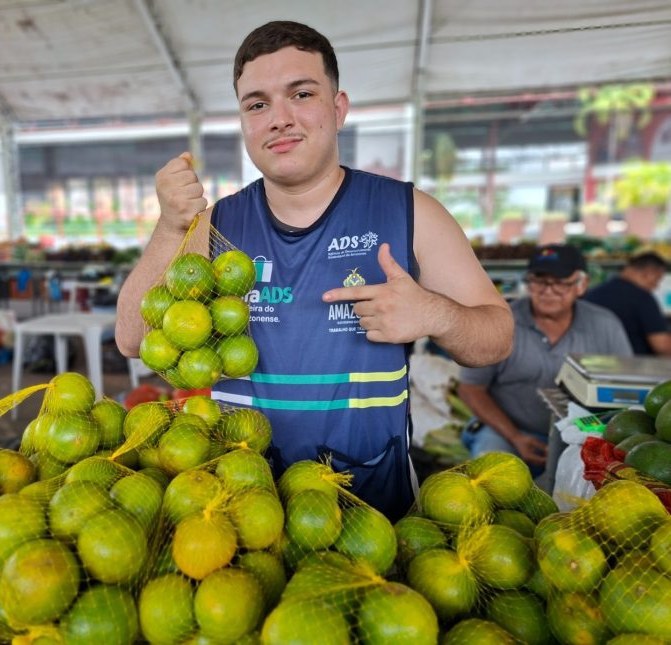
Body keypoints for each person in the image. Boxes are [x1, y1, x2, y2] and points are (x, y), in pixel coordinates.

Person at [115, 21, 514, 519]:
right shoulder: (214, 225)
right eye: (257, 104)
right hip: (241, 504)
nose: (279, 119)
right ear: (243, 123)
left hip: (373, 501)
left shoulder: (410, 212)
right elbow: (132, 338)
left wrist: (436, 314)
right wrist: (171, 227)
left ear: (338, 108)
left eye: (301, 94)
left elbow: (497, 337)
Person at [458, 244, 632, 473]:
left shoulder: (605, 325)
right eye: (539, 281)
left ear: (582, 284)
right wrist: (516, 437)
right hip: (507, 430)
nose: (548, 291)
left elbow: (626, 387)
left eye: (560, 283)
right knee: (494, 472)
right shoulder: (501, 322)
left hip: (583, 433)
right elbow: (471, 389)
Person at [584, 252, 671, 355]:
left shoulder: (593, 294)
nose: (656, 286)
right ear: (648, 273)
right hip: (633, 362)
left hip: (594, 359)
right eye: (657, 279)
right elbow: (662, 346)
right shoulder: (642, 298)